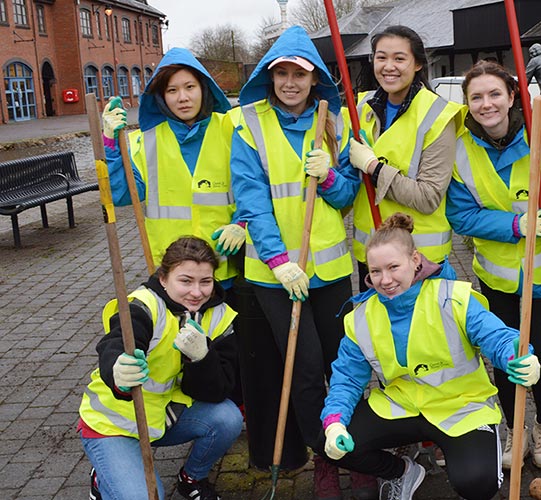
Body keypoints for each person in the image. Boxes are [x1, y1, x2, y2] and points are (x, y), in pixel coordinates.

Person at [228, 26, 377, 500]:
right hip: (276, 277)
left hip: (330, 270)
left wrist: (330, 176)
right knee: (307, 368)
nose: (290, 82)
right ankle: (326, 459)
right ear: (269, 77)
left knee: (347, 362)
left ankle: (357, 452)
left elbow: (349, 196)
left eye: (300, 74)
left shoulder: (334, 123)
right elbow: (251, 201)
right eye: (282, 74)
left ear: (315, 79)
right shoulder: (248, 123)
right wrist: (278, 262)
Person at [319, 212, 541, 500]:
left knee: (477, 482)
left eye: (393, 267)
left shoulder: (452, 298)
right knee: (326, 440)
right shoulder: (361, 317)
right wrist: (334, 420)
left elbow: (495, 336)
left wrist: (518, 356)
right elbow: (348, 378)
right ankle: (401, 471)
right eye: (375, 271)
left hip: (461, 409)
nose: (385, 280)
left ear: (415, 261)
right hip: (403, 406)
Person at [446, 59, 541, 471]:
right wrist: (518, 224)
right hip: (497, 276)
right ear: (467, 104)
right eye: (476, 97)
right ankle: (513, 428)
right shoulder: (462, 149)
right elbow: (462, 216)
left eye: (494, 93)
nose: (487, 104)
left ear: (512, 96)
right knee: (505, 355)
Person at [78, 236, 242, 500]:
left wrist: (202, 358)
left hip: (165, 415)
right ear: (164, 279)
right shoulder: (144, 305)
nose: (197, 292)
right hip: (115, 423)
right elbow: (116, 342)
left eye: (206, 282)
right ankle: (103, 477)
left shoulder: (220, 315)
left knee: (228, 418)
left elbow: (217, 390)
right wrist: (118, 371)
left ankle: (191, 479)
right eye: (186, 281)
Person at [101, 47, 243, 286]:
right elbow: (122, 195)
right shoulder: (146, 140)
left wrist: (241, 223)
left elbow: (255, 186)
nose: (183, 98)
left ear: (204, 88)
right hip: (173, 277)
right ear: (162, 97)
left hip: (226, 268)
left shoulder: (232, 129)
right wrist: (110, 144)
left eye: (190, 87)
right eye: (172, 90)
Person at [349, 25, 462, 290]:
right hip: (374, 258)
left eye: (399, 58)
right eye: (381, 57)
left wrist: (372, 167)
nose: (389, 66)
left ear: (418, 64)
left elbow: (427, 197)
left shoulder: (437, 115)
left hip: (418, 260)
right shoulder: (361, 108)